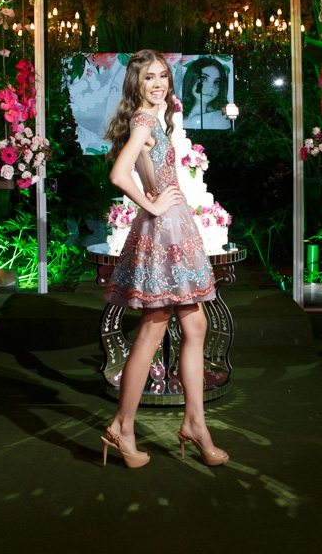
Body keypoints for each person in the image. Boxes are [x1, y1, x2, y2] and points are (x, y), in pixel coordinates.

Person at [99, 49, 229, 469]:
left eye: (163, 76)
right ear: (136, 83)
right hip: (164, 229)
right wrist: (153, 205)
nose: (158, 84)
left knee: (195, 324)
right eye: (149, 77)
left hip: (173, 227)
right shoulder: (143, 121)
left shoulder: (153, 119)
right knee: (154, 328)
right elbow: (119, 174)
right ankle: (123, 427)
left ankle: (194, 424)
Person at [181, 57, 232, 130]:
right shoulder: (177, 113)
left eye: (216, 82)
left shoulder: (219, 118)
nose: (211, 88)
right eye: (204, 79)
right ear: (191, 79)